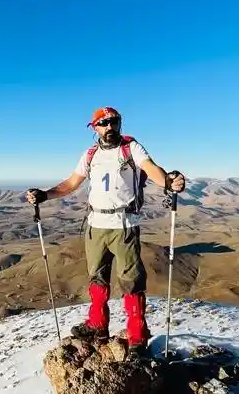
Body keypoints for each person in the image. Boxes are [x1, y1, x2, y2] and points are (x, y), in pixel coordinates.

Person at [26, 106, 186, 353]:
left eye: (113, 121)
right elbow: (71, 184)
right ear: (95, 128)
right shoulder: (90, 154)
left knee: (131, 281)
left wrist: (168, 181)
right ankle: (98, 325)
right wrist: (44, 195)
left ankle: (136, 336)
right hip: (95, 225)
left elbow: (151, 169)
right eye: (103, 123)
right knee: (96, 277)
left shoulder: (131, 148)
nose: (109, 126)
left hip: (124, 225)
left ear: (119, 123)